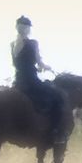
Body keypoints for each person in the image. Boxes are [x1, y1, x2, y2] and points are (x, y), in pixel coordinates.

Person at [10, 15, 67, 144]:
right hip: (31, 80)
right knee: (58, 96)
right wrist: (47, 67)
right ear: (27, 29)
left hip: (19, 80)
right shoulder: (33, 43)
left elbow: (16, 62)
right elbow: (39, 62)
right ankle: (57, 132)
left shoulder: (13, 44)